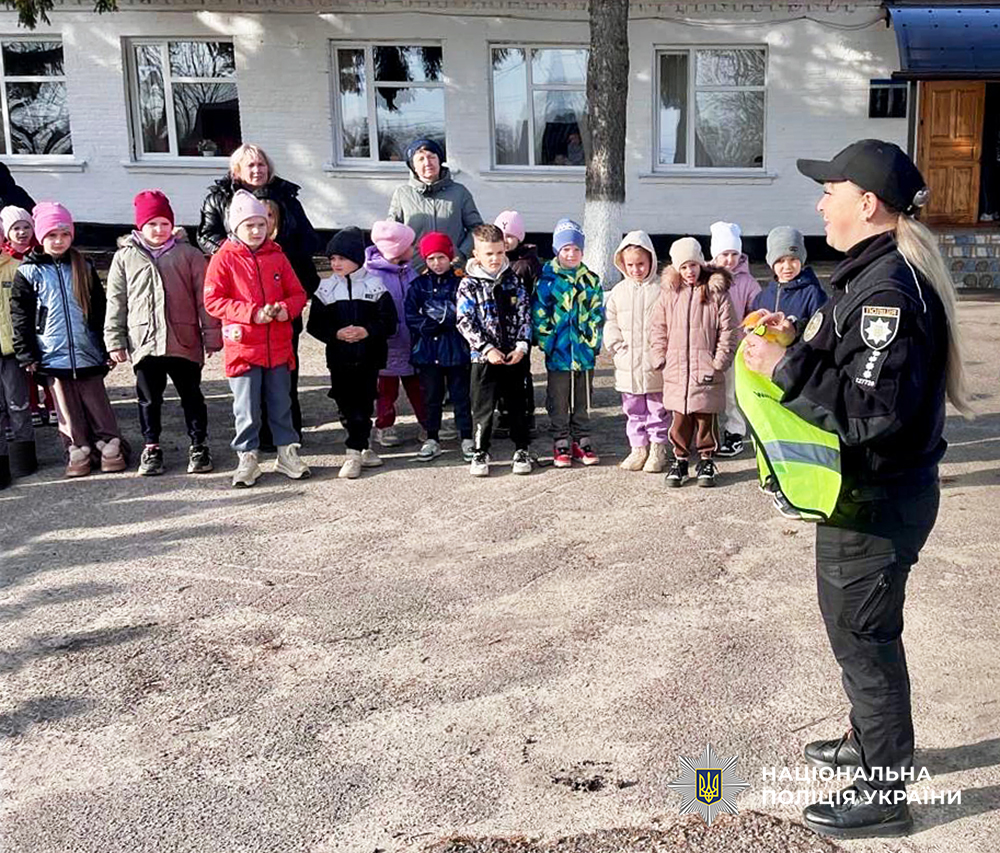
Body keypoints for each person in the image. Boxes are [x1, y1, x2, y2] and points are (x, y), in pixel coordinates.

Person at [742, 139, 972, 839]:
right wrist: (801, 339)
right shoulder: (869, 275)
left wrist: (785, 368)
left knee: (865, 642)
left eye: (829, 189)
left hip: (874, 503)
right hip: (869, 498)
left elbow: (873, 413)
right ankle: (869, 742)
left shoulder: (887, 291)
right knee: (860, 637)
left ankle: (883, 788)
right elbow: (853, 367)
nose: (819, 202)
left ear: (866, 203)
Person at [197, 143, 319, 442]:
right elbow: (204, 235)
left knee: (284, 363)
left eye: (261, 164)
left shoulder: (286, 196)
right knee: (249, 371)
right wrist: (238, 255)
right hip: (242, 293)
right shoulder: (218, 198)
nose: (257, 170)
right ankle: (253, 437)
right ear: (236, 170)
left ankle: (286, 434)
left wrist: (278, 255)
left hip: (281, 285)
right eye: (250, 165)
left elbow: (307, 237)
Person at [104, 190, 222, 476]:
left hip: (183, 340)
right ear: (140, 227)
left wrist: (212, 334)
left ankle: (199, 445)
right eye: (152, 224)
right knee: (148, 398)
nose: (159, 230)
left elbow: (203, 298)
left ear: (173, 225)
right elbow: (116, 300)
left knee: (191, 396)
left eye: (164, 223)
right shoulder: (124, 258)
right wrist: (115, 339)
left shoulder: (189, 255)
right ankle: (152, 446)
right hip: (144, 342)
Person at [10, 203, 128, 478]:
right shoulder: (28, 272)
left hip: (87, 350)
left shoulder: (83, 265)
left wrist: (106, 345)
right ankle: (77, 450)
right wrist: (27, 354)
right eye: (52, 235)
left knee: (98, 403)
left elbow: (100, 310)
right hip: (51, 352)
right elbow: (21, 317)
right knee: (66, 409)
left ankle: (110, 446)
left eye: (64, 234)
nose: (59, 240)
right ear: (41, 237)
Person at [203, 190, 309, 488]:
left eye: (261, 224)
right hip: (243, 347)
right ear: (235, 227)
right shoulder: (223, 258)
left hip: (277, 345)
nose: (256, 231)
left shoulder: (277, 255)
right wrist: (251, 314)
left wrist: (285, 310)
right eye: (249, 225)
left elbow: (298, 293)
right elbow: (213, 300)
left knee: (281, 403)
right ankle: (247, 457)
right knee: (246, 407)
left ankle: (287, 453)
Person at [306, 227, 397, 480]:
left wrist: (366, 331)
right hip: (339, 359)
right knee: (345, 403)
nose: (336, 264)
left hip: (370, 357)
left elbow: (389, 322)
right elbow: (314, 325)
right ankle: (361, 445)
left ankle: (355, 450)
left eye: (342, 258)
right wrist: (336, 334)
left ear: (357, 259)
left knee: (364, 401)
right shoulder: (325, 289)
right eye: (332, 259)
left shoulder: (375, 285)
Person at [649, 237, 737, 488]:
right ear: (677, 268)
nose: (689, 271)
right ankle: (680, 460)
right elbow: (658, 328)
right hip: (677, 369)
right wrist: (660, 356)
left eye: (693, 265)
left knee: (704, 417)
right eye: (684, 267)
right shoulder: (669, 294)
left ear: (701, 264)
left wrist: (719, 361)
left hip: (705, 367)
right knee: (679, 418)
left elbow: (728, 329)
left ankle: (707, 458)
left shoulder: (716, 292)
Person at [456, 223, 532, 477]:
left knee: (517, 404)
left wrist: (522, 345)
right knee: (483, 406)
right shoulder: (468, 285)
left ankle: (521, 448)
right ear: (476, 255)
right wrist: (486, 348)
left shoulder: (514, 280)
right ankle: (480, 450)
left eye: (499, 253)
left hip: (513, 355)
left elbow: (525, 314)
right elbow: (465, 321)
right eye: (488, 254)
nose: (495, 259)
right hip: (483, 358)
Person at [533, 218, 604, 467]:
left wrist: (593, 341)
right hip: (559, 350)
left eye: (575, 249)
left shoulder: (591, 280)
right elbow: (540, 313)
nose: (571, 254)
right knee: (559, 396)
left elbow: (597, 314)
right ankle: (561, 438)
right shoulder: (547, 280)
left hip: (584, 351)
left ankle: (582, 437)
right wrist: (548, 340)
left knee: (583, 395)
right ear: (557, 251)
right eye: (566, 249)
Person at [604, 231, 671, 473]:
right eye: (630, 265)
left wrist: (664, 349)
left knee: (657, 407)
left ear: (651, 260)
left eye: (641, 264)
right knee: (633, 409)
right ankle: (637, 448)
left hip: (654, 364)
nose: (636, 269)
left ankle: (657, 448)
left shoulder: (662, 289)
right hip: (627, 362)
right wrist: (615, 344)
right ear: (622, 264)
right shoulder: (619, 292)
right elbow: (609, 320)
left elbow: (670, 321)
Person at [404, 232, 474, 463]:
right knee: (431, 397)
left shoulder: (461, 283)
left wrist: (448, 319)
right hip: (427, 350)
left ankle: (466, 437)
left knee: (461, 396)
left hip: (456, 349)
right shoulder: (418, 285)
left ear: (450, 257)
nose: (437, 263)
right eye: (431, 258)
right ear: (425, 259)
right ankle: (431, 437)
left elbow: (466, 312)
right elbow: (410, 314)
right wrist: (429, 325)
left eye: (441, 257)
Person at [366, 220, 427, 448]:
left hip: (412, 340)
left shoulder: (409, 271)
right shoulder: (373, 276)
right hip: (388, 344)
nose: (415, 249)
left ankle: (427, 423)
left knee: (419, 386)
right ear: (397, 249)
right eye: (410, 245)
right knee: (386, 390)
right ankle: (384, 425)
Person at [709, 221, 761, 458]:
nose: (729, 259)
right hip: (708, 345)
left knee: (732, 393)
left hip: (736, 346)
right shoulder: (706, 279)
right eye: (724, 254)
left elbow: (756, 311)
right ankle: (706, 434)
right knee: (707, 392)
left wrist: (751, 333)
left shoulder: (747, 282)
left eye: (733, 254)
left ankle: (735, 433)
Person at [388, 138, 483, 266]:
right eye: (421, 159)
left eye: (431, 157)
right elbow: (392, 232)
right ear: (413, 166)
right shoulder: (402, 194)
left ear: (439, 160)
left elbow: (477, 229)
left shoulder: (459, 192)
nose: (427, 163)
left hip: (452, 269)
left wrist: (461, 254)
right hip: (415, 270)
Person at [2, 206, 54, 427]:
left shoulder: (41, 254)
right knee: (24, 368)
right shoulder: (6, 259)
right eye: (16, 228)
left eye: (26, 227)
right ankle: (31, 405)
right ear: (7, 232)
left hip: (41, 316)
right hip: (18, 319)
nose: (22, 232)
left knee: (47, 365)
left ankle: (52, 404)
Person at [494, 210, 541, 435]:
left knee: (521, 372)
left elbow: (536, 295)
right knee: (499, 372)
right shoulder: (495, 261)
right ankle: (504, 413)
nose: (506, 240)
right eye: (501, 235)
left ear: (519, 237)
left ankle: (525, 413)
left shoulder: (527, 263)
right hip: (498, 328)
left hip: (521, 327)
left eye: (510, 235)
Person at [0, 235, 36, 487]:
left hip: (10, 348)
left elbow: (26, 310)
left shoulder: (14, 267)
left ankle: (24, 458)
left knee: (18, 402)